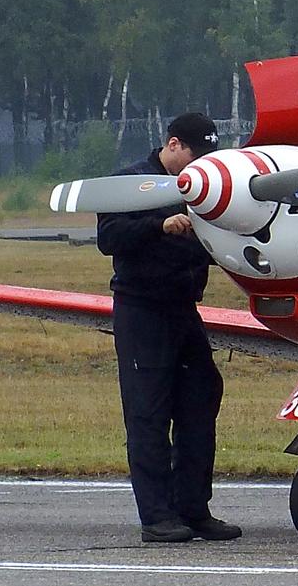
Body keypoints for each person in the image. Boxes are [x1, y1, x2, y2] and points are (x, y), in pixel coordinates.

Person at [96, 112, 241, 543]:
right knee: (148, 411)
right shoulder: (130, 181)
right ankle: (157, 517)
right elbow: (109, 237)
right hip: (142, 310)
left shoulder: (205, 186)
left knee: (202, 394)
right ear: (173, 145)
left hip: (183, 308)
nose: (202, 167)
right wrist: (159, 225)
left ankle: (194, 508)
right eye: (197, 155)